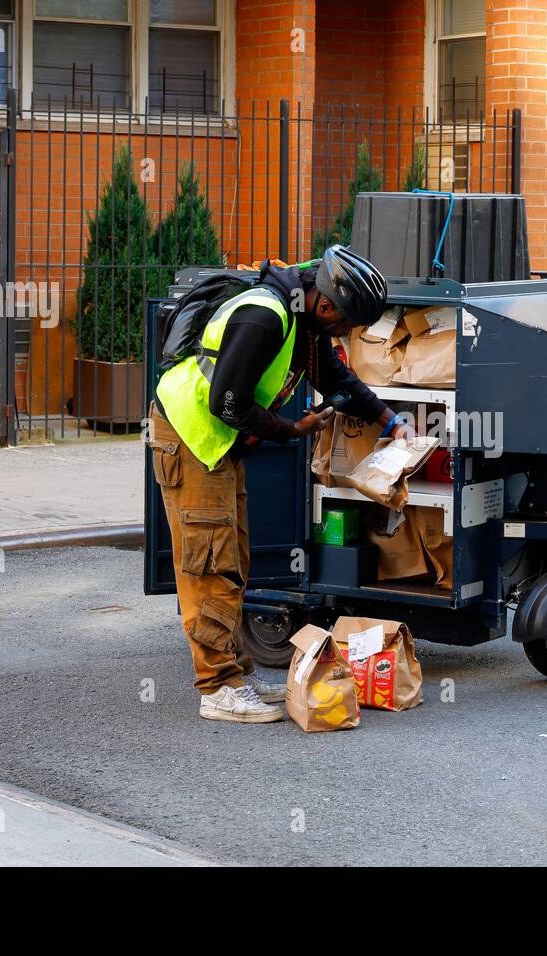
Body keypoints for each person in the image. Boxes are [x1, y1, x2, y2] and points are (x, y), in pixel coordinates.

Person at [148, 245, 412, 724]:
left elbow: (335, 376)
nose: (345, 334)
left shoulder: (302, 318)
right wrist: (291, 430)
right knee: (210, 562)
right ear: (326, 305)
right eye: (345, 325)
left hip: (217, 443)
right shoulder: (263, 317)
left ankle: (235, 675)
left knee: (234, 558)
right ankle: (217, 688)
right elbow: (226, 404)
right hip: (192, 436)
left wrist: (389, 419)